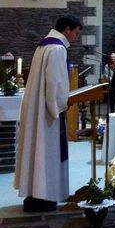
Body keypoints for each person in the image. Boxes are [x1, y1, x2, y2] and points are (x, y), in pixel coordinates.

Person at [13, 15, 82, 212]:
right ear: (66, 29)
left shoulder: (43, 46)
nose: (75, 38)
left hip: (37, 107)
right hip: (47, 112)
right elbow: (56, 84)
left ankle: (34, 194)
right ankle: (44, 196)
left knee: (35, 150)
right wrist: (62, 105)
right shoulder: (58, 49)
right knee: (45, 152)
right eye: (75, 33)